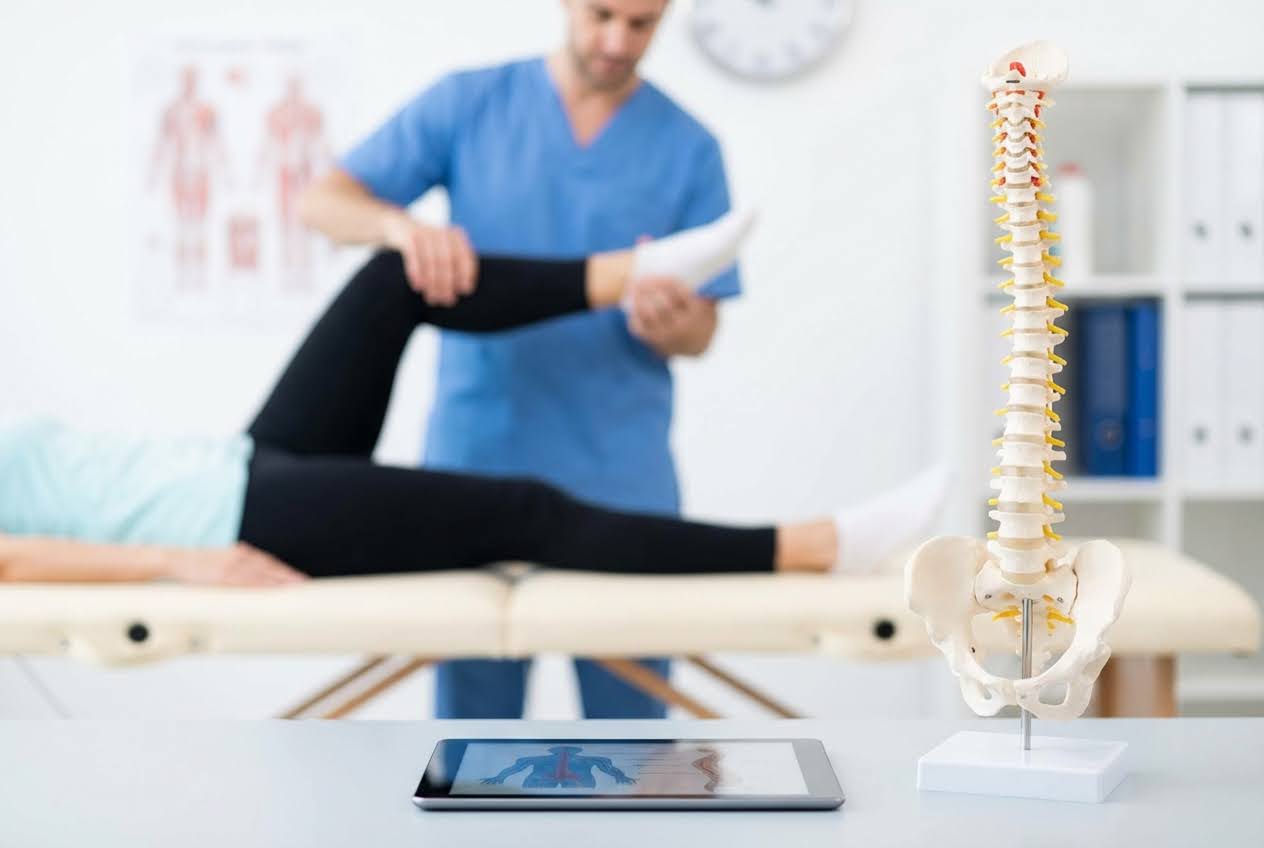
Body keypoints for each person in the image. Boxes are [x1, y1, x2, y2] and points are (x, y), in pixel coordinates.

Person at [0, 221, 949, 590]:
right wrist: (177, 566)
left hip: (237, 466)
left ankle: (634, 272)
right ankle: (821, 547)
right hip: (226, 524)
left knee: (392, 278)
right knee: (524, 512)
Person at [299, 0, 743, 719]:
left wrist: (674, 325)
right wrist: (400, 230)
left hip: (619, 474)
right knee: (476, 737)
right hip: (477, 461)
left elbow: (703, 333)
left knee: (633, 735)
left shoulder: (689, 146)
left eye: (641, 24)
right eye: (601, 15)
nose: (615, 41)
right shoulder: (471, 104)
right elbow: (322, 201)